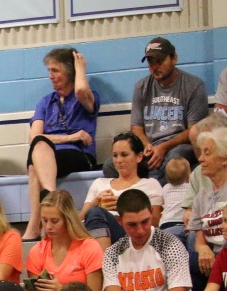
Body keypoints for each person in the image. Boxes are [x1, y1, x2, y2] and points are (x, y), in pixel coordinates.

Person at [21, 48, 100, 240]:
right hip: (52, 152)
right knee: (37, 152)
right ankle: (51, 195)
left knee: (34, 166)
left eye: (55, 70)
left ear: (70, 72)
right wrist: (71, 137)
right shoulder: (46, 102)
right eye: (49, 71)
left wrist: (80, 67)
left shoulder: (87, 97)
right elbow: (34, 137)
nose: (51, 76)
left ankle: (34, 225)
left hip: (79, 154)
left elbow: (80, 90)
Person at [101, 189, 190, 291]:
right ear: (119, 221)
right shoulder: (112, 253)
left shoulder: (170, 244)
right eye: (132, 225)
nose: (140, 230)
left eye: (145, 222)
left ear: (152, 213)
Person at [112, 37, 207, 183]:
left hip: (179, 146)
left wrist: (164, 147)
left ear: (174, 59)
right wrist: (147, 145)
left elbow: (194, 131)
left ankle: (159, 196)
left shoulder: (194, 86)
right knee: (110, 164)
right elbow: (136, 128)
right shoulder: (141, 87)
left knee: (174, 158)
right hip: (151, 147)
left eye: (160, 61)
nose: (155, 66)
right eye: (151, 62)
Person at [24, 190, 104, 291]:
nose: (48, 227)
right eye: (44, 220)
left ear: (68, 220)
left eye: (54, 221)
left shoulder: (89, 247)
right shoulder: (37, 251)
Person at [82, 132, 164, 250]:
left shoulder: (150, 184)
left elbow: (155, 223)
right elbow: (78, 221)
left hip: (131, 237)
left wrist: (124, 208)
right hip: (94, 232)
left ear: (139, 157)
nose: (118, 160)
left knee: (96, 213)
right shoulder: (99, 183)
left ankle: (103, 260)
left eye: (124, 155)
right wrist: (95, 202)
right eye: (115, 155)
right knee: (95, 212)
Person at [184, 126, 227, 291]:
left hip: (225, 258)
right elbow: (199, 238)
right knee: (185, 265)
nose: (200, 158)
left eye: (207, 153)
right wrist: (202, 249)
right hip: (212, 260)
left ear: (224, 159)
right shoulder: (201, 196)